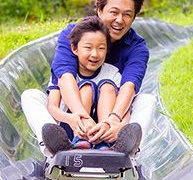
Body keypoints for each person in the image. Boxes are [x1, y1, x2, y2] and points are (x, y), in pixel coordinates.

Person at [48, 0, 150, 150]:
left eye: (127, 15)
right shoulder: (74, 35)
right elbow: (65, 77)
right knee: (31, 96)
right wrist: (80, 116)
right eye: (114, 12)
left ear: (133, 18)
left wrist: (114, 121)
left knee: (147, 100)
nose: (119, 20)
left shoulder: (137, 47)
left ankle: (125, 149)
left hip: (112, 113)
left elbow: (129, 86)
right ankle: (52, 147)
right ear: (100, 10)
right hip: (75, 114)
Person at [41, 16, 141, 154]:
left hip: (106, 130)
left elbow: (125, 109)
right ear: (74, 49)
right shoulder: (65, 72)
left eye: (101, 48)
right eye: (88, 48)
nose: (95, 54)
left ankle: (108, 145)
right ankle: (72, 143)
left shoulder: (112, 73)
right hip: (73, 127)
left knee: (107, 87)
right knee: (86, 87)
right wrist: (72, 119)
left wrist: (119, 126)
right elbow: (52, 107)